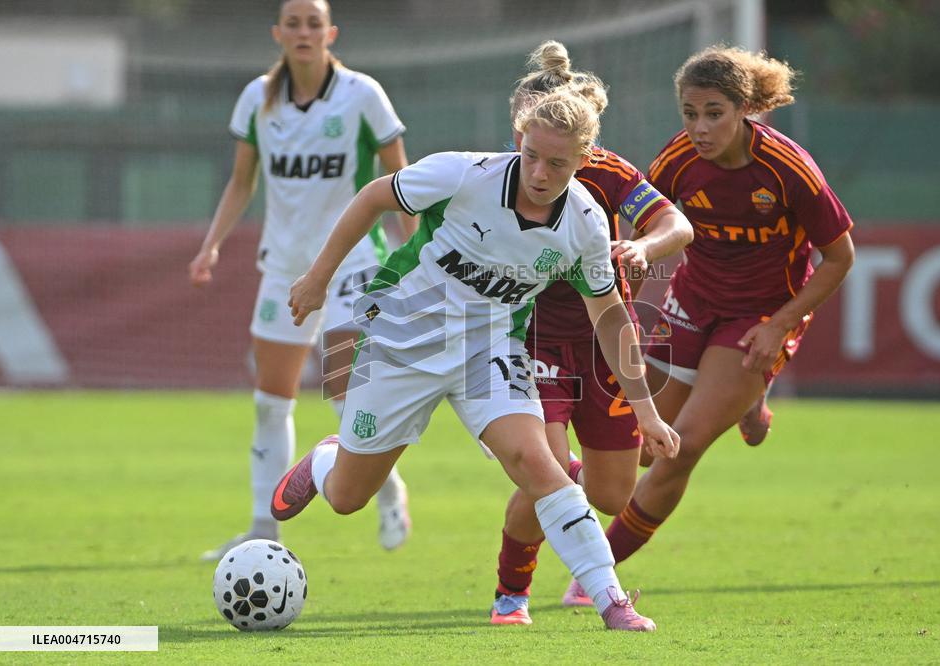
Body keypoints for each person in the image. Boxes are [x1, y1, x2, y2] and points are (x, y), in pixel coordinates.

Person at [271, 85, 681, 631]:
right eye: (531, 154)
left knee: (540, 466)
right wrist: (319, 278)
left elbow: (611, 317)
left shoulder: (585, 222)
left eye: (557, 163)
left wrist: (647, 413)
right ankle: (327, 458)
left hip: (490, 348)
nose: (538, 172)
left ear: (584, 161)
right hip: (400, 336)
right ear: (519, 140)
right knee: (347, 497)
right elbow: (373, 195)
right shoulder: (465, 175)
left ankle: (611, 599)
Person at [563, 46, 856, 596]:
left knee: (682, 447)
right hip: (691, 301)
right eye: (690, 113)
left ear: (745, 109)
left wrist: (780, 326)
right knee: (641, 448)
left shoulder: (788, 169)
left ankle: (595, 576)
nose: (700, 127)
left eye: (714, 113)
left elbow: (840, 258)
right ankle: (748, 397)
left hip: (759, 317)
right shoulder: (677, 159)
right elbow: (647, 217)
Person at [189, 0, 417, 560]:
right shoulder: (256, 99)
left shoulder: (363, 94)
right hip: (283, 271)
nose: (304, 32)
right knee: (270, 403)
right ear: (278, 34)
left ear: (330, 32)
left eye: (314, 22)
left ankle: (388, 491)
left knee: (345, 402)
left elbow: (403, 181)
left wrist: (415, 253)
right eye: (293, 23)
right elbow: (242, 182)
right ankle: (263, 530)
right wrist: (211, 244)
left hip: (353, 268)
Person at [488, 41, 694, 626]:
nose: (537, 165)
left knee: (611, 496)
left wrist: (642, 245)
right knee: (544, 473)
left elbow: (676, 225)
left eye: (556, 154)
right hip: (532, 342)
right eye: (525, 139)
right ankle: (511, 594)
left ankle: (572, 478)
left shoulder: (607, 173)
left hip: (606, 342)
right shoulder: (496, 173)